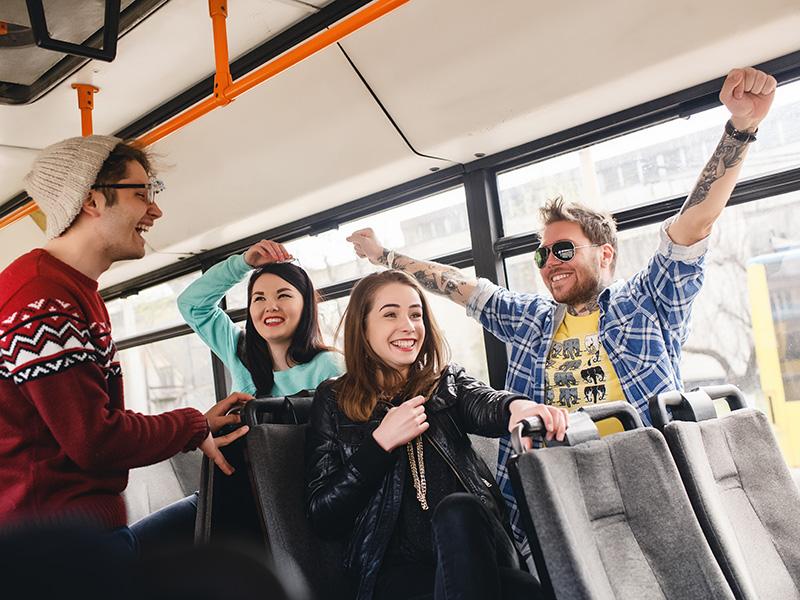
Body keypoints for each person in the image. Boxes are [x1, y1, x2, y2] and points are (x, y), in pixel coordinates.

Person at [346, 66, 777, 555]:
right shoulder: (530, 319)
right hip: (559, 491)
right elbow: (457, 286)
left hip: (648, 478)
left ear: (605, 253)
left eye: (564, 250)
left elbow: (694, 222)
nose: (551, 262)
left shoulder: (647, 303)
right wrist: (384, 257)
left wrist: (740, 129)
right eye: (543, 254)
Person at [0, 136, 250, 551]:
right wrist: (191, 424)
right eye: (141, 193)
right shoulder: (41, 299)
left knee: (204, 526)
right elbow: (94, 440)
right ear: (92, 201)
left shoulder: (74, 292)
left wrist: (195, 428)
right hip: (53, 548)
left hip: (73, 534)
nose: (156, 209)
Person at [305, 270, 567, 600]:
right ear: (363, 326)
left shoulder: (444, 382)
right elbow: (323, 516)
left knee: (515, 576)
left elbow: (485, 402)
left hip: (477, 557)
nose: (408, 326)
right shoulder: (332, 400)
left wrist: (517, 407)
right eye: (390, 314)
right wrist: (380, 444)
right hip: (393, 576)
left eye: (416, 315)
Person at [129, 240, 344, 552]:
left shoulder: (330, 366)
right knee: (134, 546)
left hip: (286, 504)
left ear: (306, 304)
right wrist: (244, 263)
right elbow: (193, 304)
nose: (270, 306)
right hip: (223, 489)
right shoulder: (240, 351)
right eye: (259, 298)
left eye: (283, 295)